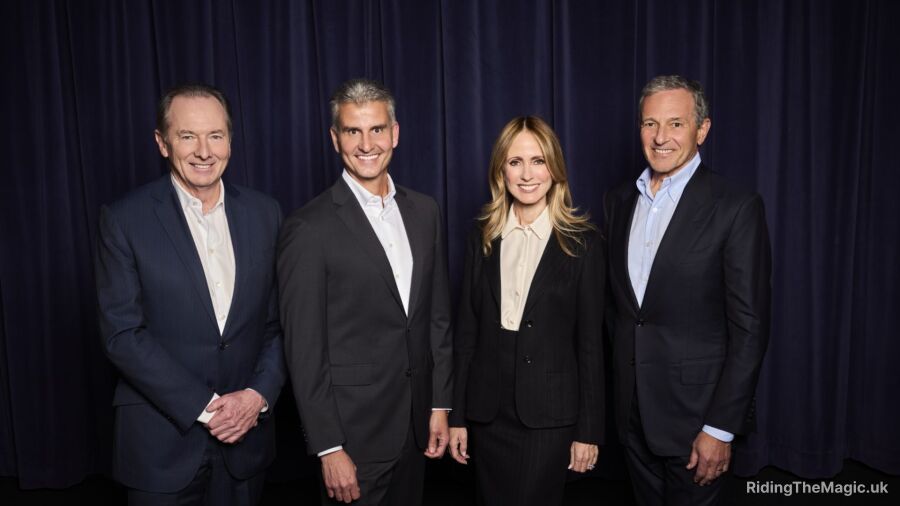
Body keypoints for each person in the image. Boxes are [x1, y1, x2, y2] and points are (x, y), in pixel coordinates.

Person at [95, 83, 286, 505]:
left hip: (246, 443)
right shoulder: (124, 220)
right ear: (162, 143)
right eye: (187, 136)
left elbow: (279, 324)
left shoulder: (266, 214)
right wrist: (207, 407)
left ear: (230, 142)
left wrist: (257, 397)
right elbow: (122, 335)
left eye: (215, 136)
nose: (204, 150)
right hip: (159, 448)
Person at [277, 78, 453, 506]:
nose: (366, 143)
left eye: (376, 129)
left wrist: (441, 405)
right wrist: (329, 447)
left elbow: (436, 317)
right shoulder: (308, 228)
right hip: (353, 440)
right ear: (335, 138)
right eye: (353, 131)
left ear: (394, 133)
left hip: (416, 429)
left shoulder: (425, 211)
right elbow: (304, 351)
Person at [603, 75, 771, 505]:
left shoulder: (735, 207)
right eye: (649, 124)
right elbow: (622, 312)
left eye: (676, 124)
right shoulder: (618, 201)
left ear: (702, 129)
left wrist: (720, 428)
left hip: (697, 425)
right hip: (632, 418)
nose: (661, 138)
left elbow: (750, 328)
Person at [447, 116, 605, 506]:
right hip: (487, 414)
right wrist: (458, 417)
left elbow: (590, 346)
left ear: (555, 167)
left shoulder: (583, 243)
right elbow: (466, 334)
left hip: (549, 417)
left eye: (538, 160)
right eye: (515, 162)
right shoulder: (482, 235)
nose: (527, 174)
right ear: (501, 169)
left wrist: (589, 430)